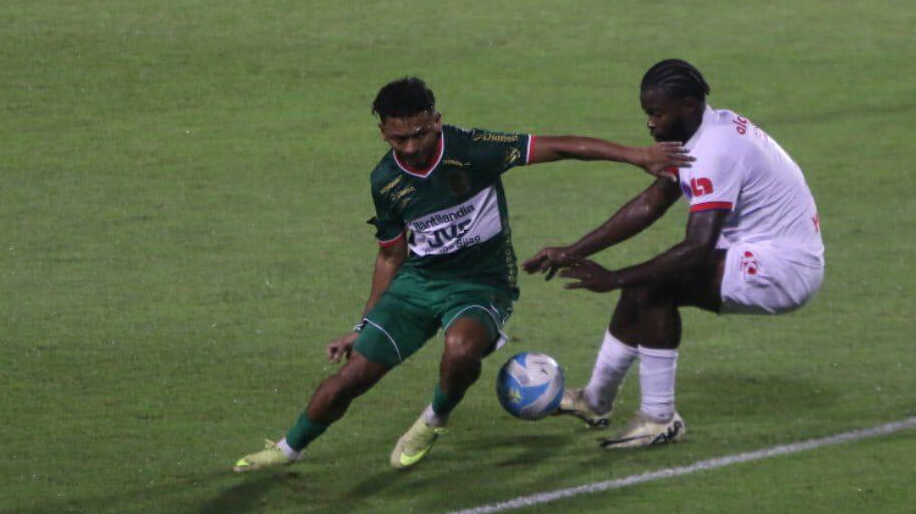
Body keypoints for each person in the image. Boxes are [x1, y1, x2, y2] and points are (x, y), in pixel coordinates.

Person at [234, 76, 691, 471]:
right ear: (382, 134)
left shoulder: (471, 150)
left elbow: (559, 146)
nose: (411, 148)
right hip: (417, 285)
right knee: (350, 379)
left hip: (481, 286)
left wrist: (636, 155)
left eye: (419, 134)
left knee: (460, 348)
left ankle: (433, 420)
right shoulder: (385, 182)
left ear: (436, 120)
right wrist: (363, 325)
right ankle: (288, 449)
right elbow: (391, 256)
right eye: (399, 140)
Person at [524, 59, 824, 448]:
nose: (650, 123)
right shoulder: (699, 131)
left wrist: (614, 278)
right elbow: (651, 203)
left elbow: (698, 249)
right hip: (760, 250)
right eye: (647, 113)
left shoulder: (715, 150)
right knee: (644, 283)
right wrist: (572, 251)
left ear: (688, 105)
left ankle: (659, 417)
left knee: (654, 286)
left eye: (656, 113)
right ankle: (595, 402)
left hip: (785, 267)